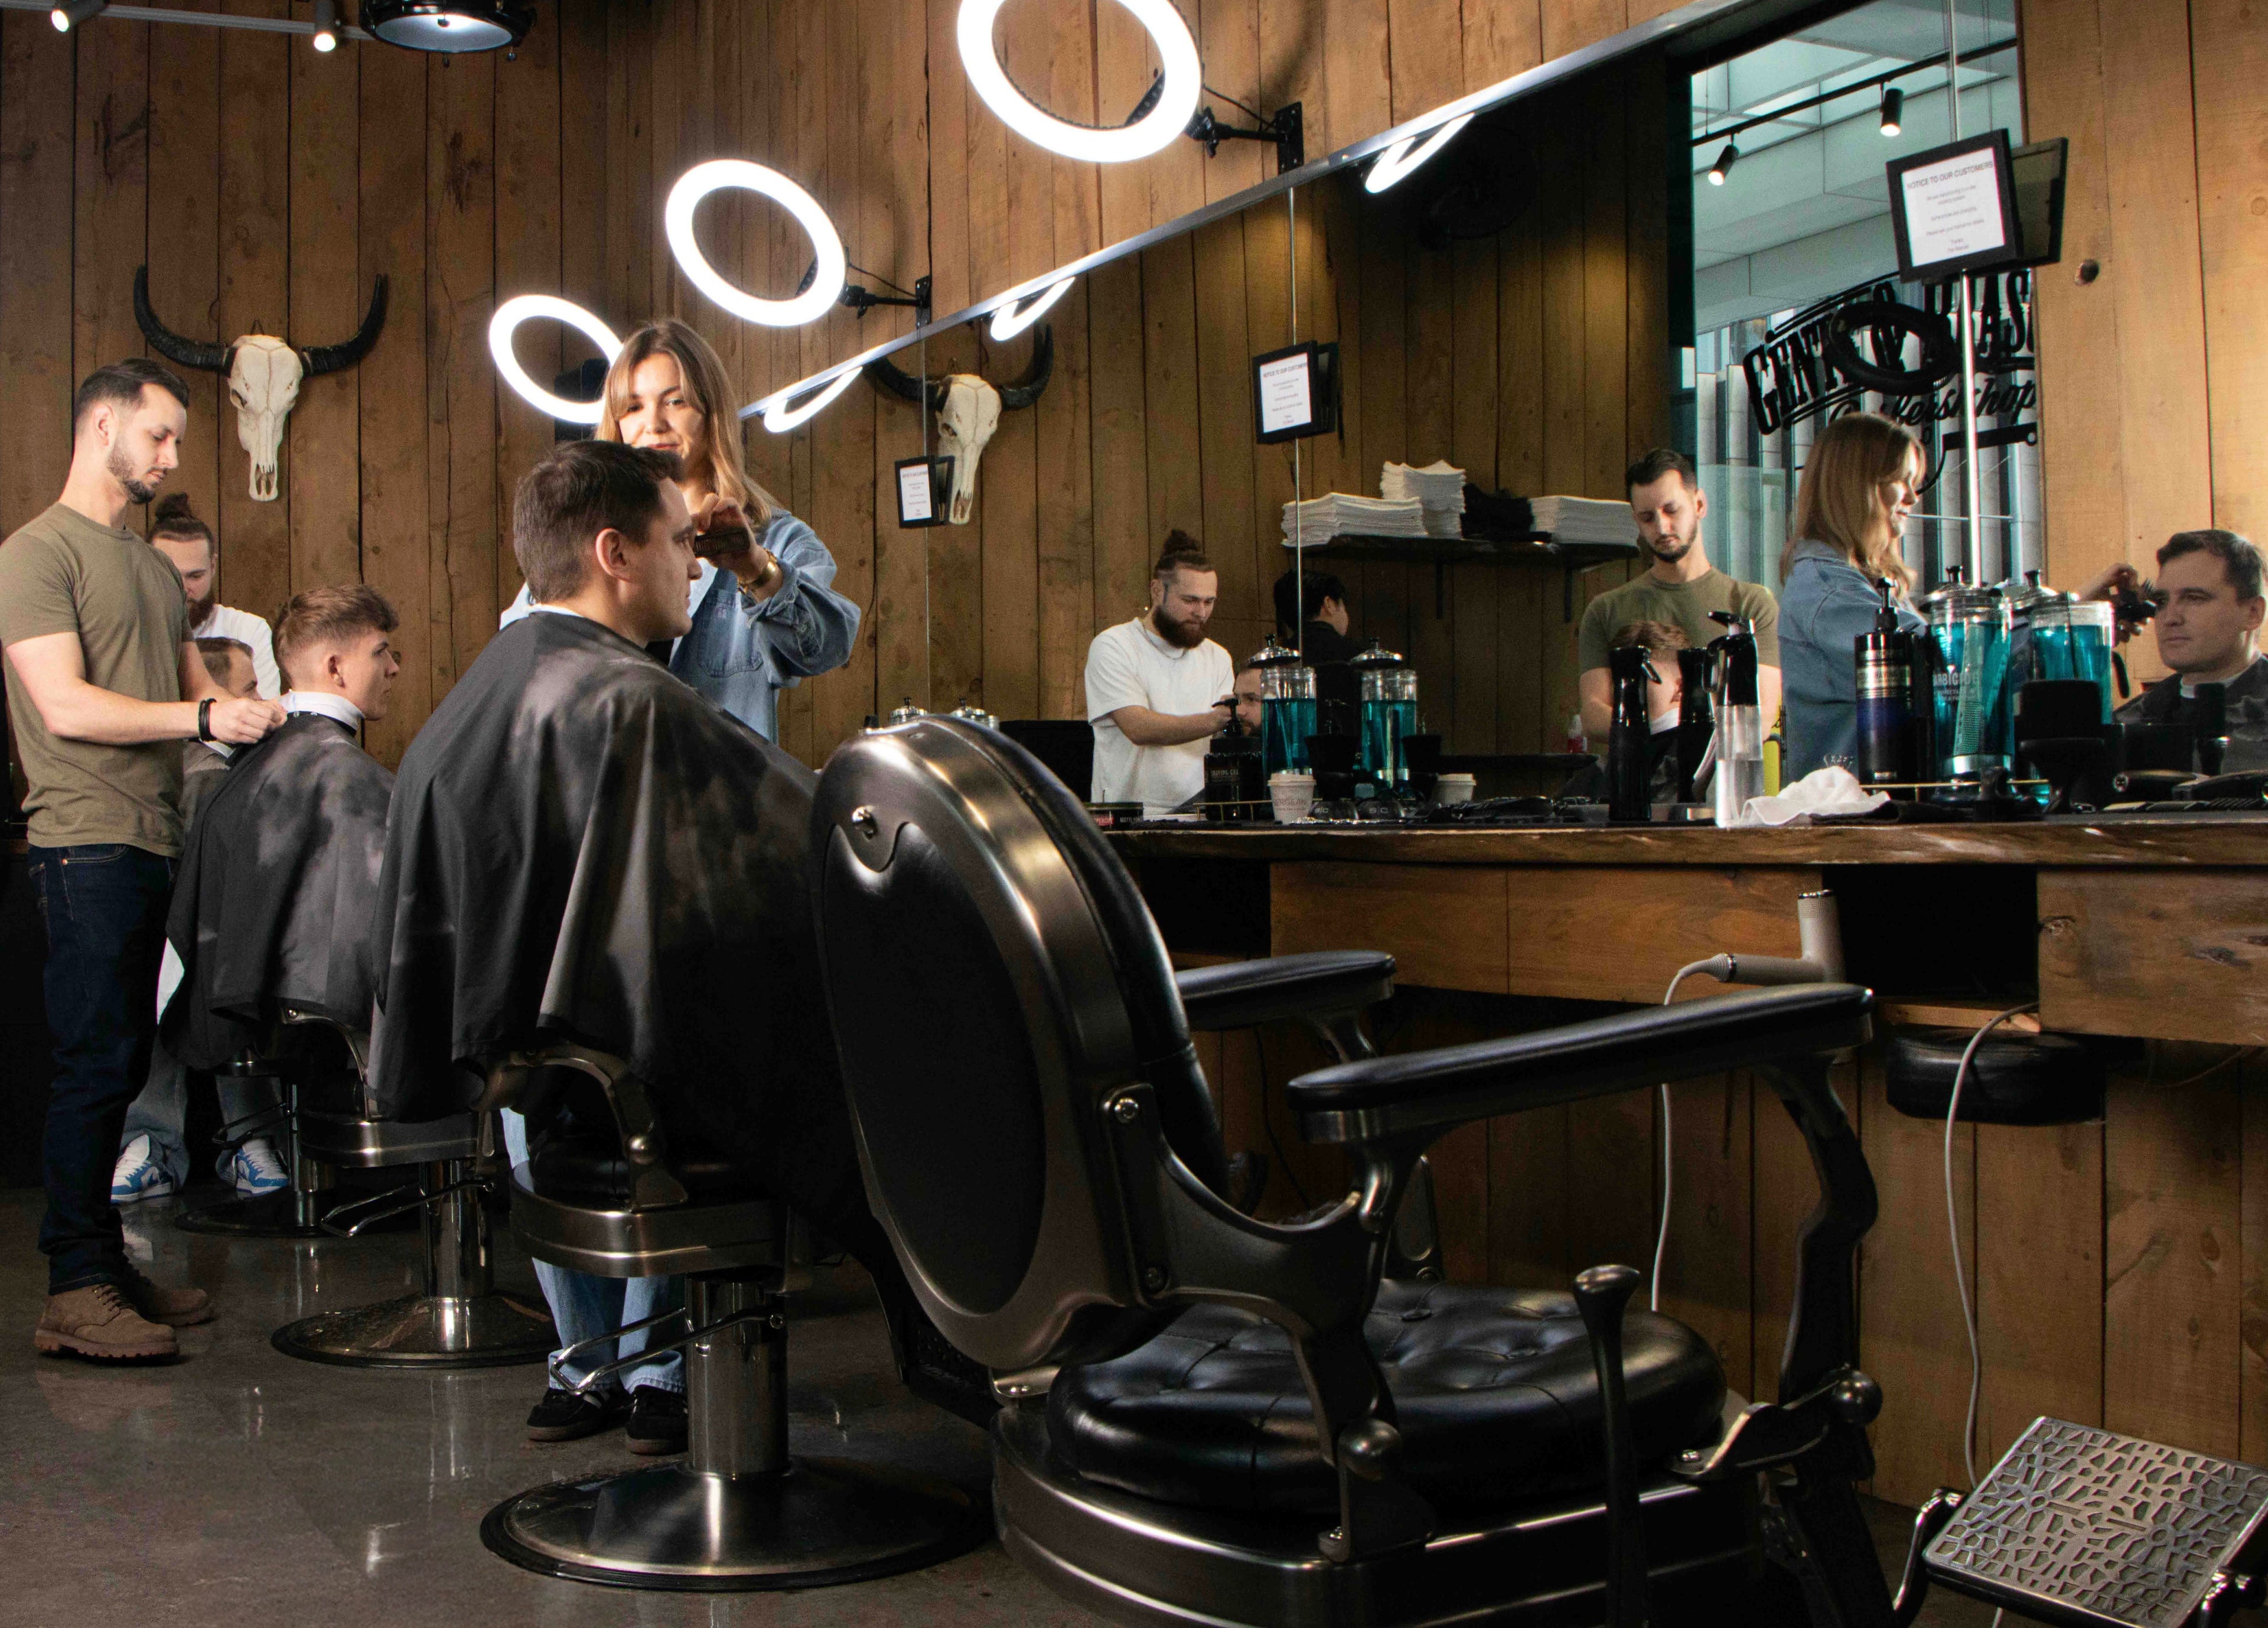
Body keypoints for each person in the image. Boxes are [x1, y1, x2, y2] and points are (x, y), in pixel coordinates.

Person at [369, 441, 989, 1453]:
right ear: (616, 551)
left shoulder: (475, 698)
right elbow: (807, 865)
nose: (693, 570)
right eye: (674, 544)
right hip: (644, 1106)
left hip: (550, 1101)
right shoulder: (634, 703)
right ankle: (1040, 1344)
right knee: (940, 1040)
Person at [0, 357, 283, 1361]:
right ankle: (75, 1287)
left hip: (157, 840)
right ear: (103, 425)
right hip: (82, 843)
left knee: (122, 1063)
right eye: (158, 436)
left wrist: (269, 722)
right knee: (90, 1068)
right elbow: (67, 705)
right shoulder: (35, 553)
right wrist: (204, 710)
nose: (170, 456)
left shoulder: (154, 570)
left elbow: (201, 695)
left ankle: (108, 1268)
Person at [501, 318, 859, 743]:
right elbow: (522, 643)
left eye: (676, 402)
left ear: (713, 415)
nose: (653, 425)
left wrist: (755, 568)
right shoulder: (586, 537)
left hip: (718, 793)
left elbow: (825, 649)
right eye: (632, 407)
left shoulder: (777, 540)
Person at [162, 585, 400, 1083]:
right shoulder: (347, 775)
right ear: (336, 668)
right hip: (330, 1027)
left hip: (250, 1009)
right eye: (381, 652)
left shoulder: (248, 766)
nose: (394, 668)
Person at [110, 635, 291, 1203]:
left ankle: (232, 1141)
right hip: (177, 932)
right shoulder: (192, 777)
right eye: (249, 690)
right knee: (170, 999)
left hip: (228, 935)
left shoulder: (243, 773)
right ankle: (179, 1143)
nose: (259, 702)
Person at [1579, 449, 1781, 744]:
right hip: (1637, 781)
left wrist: (1660, 713)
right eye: (1647, 518)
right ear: (1636, 520)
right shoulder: (1605, 611)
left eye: (1671, 510)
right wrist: (1667, 720)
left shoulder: (1751, 605)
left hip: (1723, 780)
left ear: (1699, 504)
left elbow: (1759, 718)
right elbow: (1593, 715)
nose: (1662, 528)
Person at [1776, 412, 1928, 781]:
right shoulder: (1827, 589)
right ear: (1856, 487)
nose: (1913, 497)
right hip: (1847, 820)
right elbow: (1928, 654)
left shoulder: (1862, 581)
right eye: (1899, 481)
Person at [1086, 535, 1236, 815]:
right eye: (1190, 600)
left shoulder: (1218, 657)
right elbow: (1139, 728)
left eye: (1209, 602)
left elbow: (1225, 740)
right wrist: (1218, 719)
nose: (1201, 613)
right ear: (1157, 591)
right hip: (1130, 815)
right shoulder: (1114, 645)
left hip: (1201, 812)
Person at [2096, 530, 2268, 767]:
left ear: (2253, 613)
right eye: (2163, 602)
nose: (2170, 618)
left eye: (2195, 598)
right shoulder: (2130, 725)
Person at [149, 494, 280, 699]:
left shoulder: (248, 630)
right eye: (170, 576)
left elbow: (263, 715)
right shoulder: (130, 632)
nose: (182, 590)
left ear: (213, 566)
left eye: (195, 576)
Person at [1561, 621, 1687, 803]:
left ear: (1680, 688)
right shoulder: (1605, 768)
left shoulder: (1700, 755)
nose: (1624, 686)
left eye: (1641, 676)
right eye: (1618, 678)